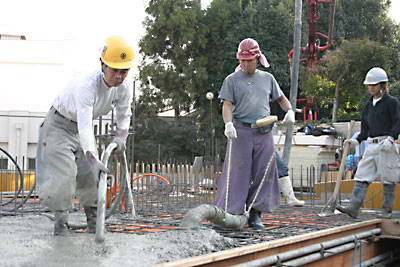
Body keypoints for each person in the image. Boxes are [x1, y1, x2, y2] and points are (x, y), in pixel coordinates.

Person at [36, 35, 134, 235]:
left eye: (124, 71)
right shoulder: (87, 87)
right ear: (102, 65)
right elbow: (86, 126)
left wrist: (121, 138)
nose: (119, 76)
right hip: (58, 126)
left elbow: (124, 114)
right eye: (114, 70)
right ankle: (61, 227)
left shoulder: (123, 88)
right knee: (64, 176)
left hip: (78, 130)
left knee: (91, 177)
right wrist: (92, 156)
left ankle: (94, 226)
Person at [215, 38, 295, 230]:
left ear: (257, 58)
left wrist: (290, 110)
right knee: (236, 172)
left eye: (249, 60)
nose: (245, 64)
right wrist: (228, 124)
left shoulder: (267, 79)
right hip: (240, 131)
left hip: (264, 131)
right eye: (242, 61)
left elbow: (281, 99)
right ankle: (230, 214)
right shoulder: (231, 80)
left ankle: (255, 214)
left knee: (265, 172)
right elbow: (227, 105)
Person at [336, 67, 400, 219]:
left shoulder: (392, 103)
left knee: (388, 177)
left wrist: (391, 139)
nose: (371, 88)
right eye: (369, 85)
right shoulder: (368, 106)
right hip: (372, 144)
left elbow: (398, 123)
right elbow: (365, 129)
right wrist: (356, 140)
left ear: (382, 85)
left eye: (374, 85)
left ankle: (386, 211)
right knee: (362, 175)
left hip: (386, 144)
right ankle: (353, 206)